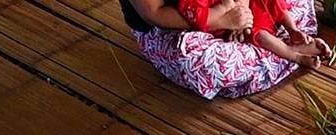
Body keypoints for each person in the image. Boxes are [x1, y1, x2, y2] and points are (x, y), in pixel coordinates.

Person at [118, 0, 322, 98]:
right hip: (172, 27)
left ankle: (290, 34)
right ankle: (288, 52)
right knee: (204, 64)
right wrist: (221, 18)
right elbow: (154, 15)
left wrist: (240, 9)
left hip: (228, 7)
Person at [177, 0, 331, 68]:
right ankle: (293, 54)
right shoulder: (189, 2)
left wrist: (242, 6)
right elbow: (199, 17)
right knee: (259, 34)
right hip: (228, 24)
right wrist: (225, 8)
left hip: (247, 9)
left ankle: (293, 31)